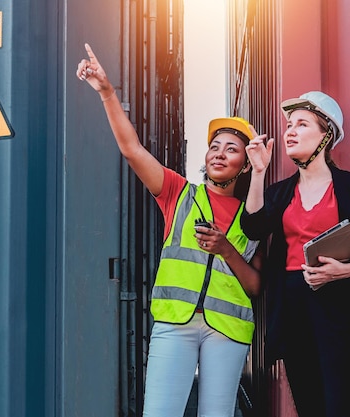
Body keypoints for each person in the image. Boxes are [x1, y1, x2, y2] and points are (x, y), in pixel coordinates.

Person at [76, 43, 263, 417]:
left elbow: (257, 286)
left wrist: (226, 249)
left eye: (232, 149)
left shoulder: (255, 215)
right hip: (174, 323)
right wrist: (108, 93)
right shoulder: (179, 193)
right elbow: (132, 150)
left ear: (245, 165)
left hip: (227, 330)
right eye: (214, 146)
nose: (219, 153)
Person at [241, 91, 350, 417]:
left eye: (302, 124)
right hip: (295, 312)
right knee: (310, 406)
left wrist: (343, 271)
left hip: (342, 312)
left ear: (326, 136)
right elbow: (252, 227)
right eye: (289, 125)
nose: (290, 131)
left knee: (344, 406)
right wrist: (257, 173)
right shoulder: (280, 193)